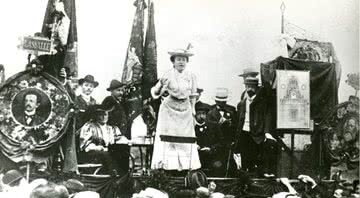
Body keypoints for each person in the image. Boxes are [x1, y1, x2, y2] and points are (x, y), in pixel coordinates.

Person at [150, 48, 201, 172]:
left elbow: (193, 95)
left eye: (184, 59)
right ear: (173, 61)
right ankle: (167, 166)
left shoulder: (192, 76)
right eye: (178, 59)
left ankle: (186, 167)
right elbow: (154, 92)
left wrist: (193, 110)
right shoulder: (167, 75)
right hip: (169, 109)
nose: (181, 62)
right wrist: (161, 86)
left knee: (185, 138)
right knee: (168, 138)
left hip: (185, 110)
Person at [236, 76, 278, 177]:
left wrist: (266, 132)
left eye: (252, 86)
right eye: (247, 86)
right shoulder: (242, 103)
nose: (249, 89)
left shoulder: (262, 103)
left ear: (256, 87)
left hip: (257, 134)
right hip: (244, 132)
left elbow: (267, 117)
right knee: (246, 158)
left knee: (257, 157)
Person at [79, 104, 122, 175]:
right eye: (101, 115)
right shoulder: (89, 126)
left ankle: (123, 174)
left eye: (105, 115)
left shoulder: (111, 128)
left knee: (120, 153)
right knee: (106, 155)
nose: (103, 117)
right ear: (96, 116)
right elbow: (84, 143)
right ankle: (112, 174)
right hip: (92, 153)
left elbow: (116, 140)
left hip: (107, 151)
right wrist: (97, 147)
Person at [101, 80, 130, 175]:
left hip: (120, 135)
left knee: (123, 155)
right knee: (115, 158)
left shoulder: (121, 102)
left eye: (122, 90)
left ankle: (123, 176)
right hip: (111, 136)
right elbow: (104, 119)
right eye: (118, 90)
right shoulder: (109, 101)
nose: (121, 93)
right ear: (112, 91)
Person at [206, 88, 237, 176]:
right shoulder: (210, 113)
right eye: (220, 101)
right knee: (217, 166)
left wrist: (230, 124)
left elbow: (235, 127)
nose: (222, 103)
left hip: (227, 145)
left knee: (230, 167)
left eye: (224, 101)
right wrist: (219, 124)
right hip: (216, 145)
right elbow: (210, 129)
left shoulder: (231, 112)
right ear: (216, 101)